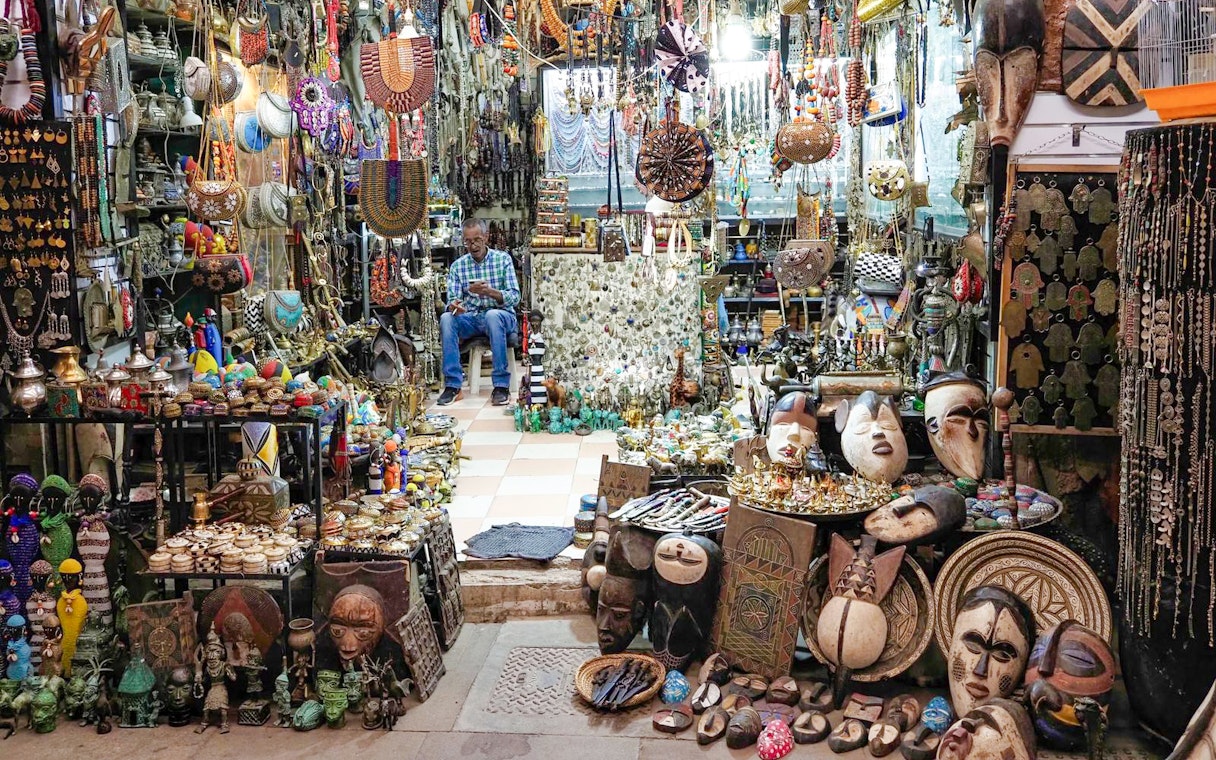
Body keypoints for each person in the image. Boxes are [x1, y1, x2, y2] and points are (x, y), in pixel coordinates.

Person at [438, 218, 521, 406]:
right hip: (472, 318)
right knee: (446, 319)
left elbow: (515, 297)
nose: (473, 245)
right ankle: (453, 386)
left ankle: (501, 386)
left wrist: (489, 292)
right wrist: (454, 307)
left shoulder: (503, 259)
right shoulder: (458, 266)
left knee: (492, 316)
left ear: (486, 237)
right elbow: (452, 300)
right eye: (468, 241)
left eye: (477, 240)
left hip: (502, 315)